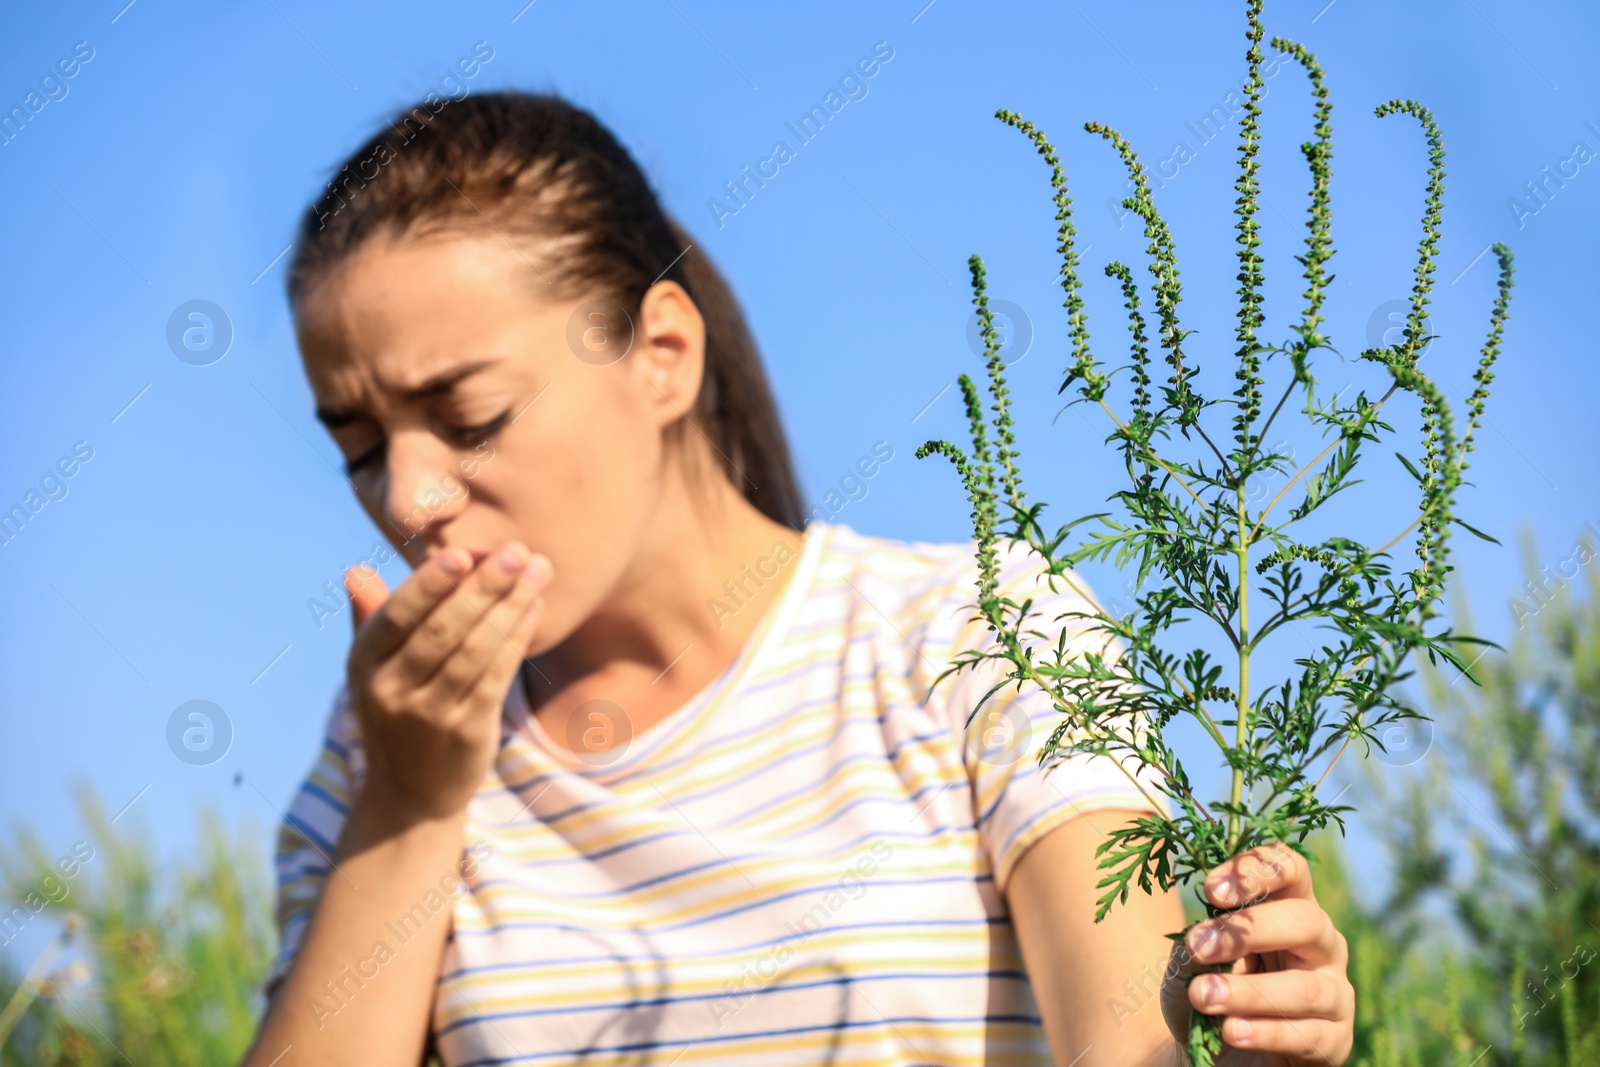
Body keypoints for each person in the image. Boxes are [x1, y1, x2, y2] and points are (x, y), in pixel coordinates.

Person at [240, 90, 1355, 1067]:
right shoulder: (384, 749)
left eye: (467, 418)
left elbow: (1131, 1048)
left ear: (661, 355)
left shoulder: (985, 633)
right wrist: (409, 802)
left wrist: (1260, 1042)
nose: (408, 497)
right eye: (360, 447)